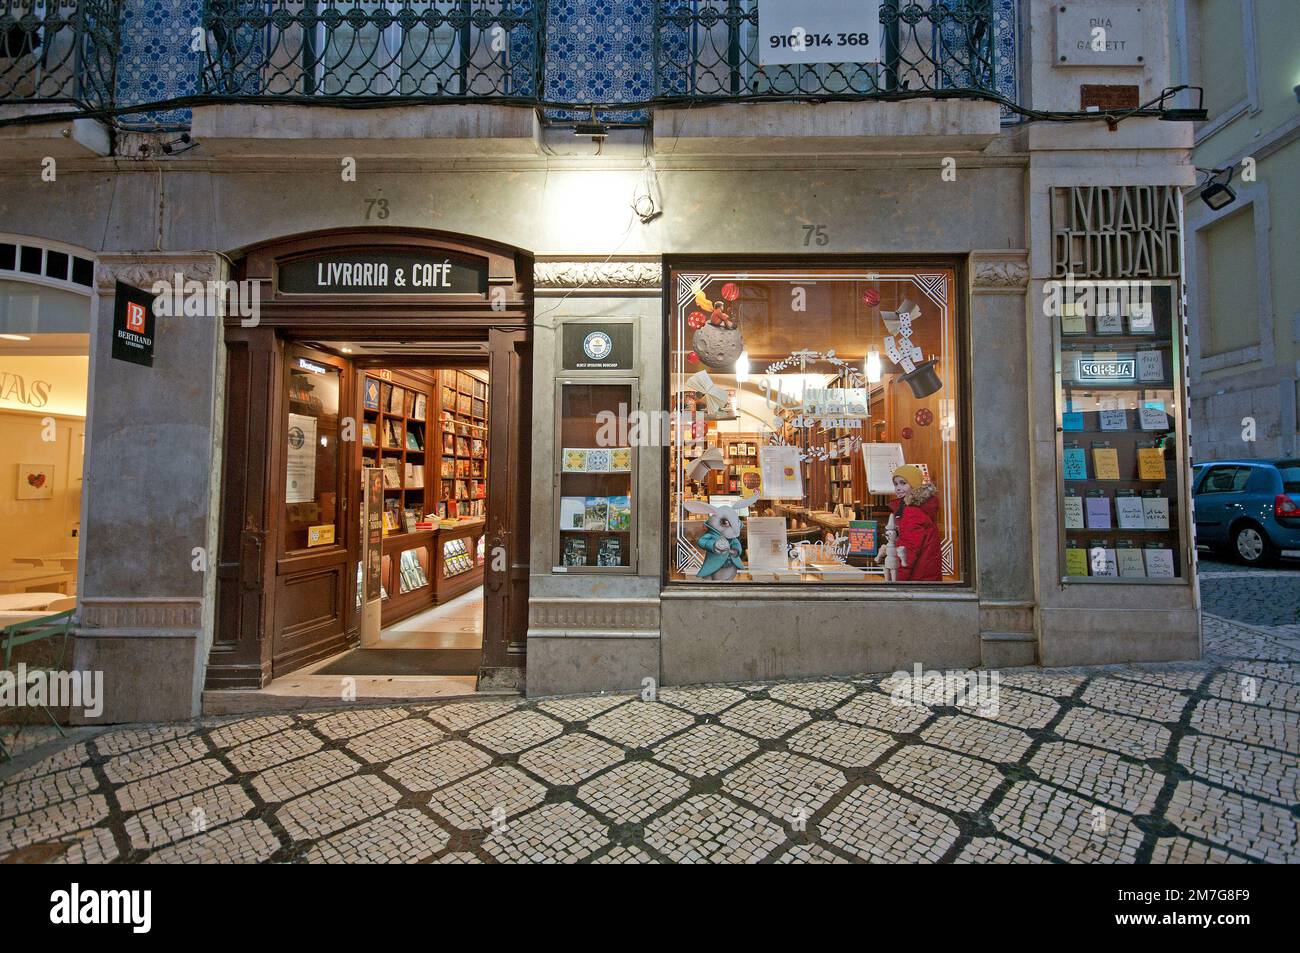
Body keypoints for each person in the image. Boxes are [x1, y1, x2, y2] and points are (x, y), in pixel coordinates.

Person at [887, 464, 942, 582]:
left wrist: (896, 581)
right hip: (926, 576)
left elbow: (907, 553)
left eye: (903, 483)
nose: (898, 488)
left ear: (914, 485)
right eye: (895, 484)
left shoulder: (912, 511)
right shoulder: (922, 507)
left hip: (916, 579)